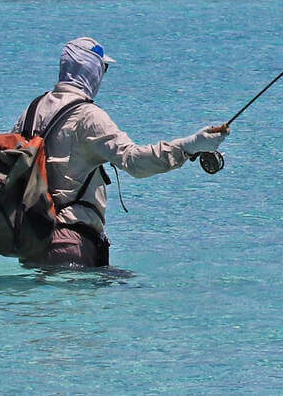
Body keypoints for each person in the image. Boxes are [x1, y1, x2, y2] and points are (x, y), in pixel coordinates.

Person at [14, 37, 227, 267]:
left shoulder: (31, 110)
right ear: (91, 70)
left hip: (32, 246)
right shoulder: (88, 116)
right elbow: (134, 161)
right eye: (102, 68)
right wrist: (189, 145)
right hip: (71, 245)